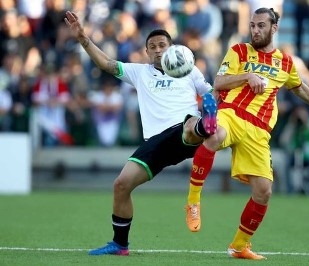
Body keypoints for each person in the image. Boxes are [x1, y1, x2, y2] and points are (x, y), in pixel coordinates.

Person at [64, 11, 218, 255]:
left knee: (189, 127)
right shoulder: (140, 72)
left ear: (171, 48)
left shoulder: (188, 70)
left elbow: (210, 93)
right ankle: (120, 244)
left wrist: (211, 103)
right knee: (121, 185)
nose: (158, 50)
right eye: (152, 46)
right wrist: (83, 39)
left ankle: (204, 126)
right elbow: (106, 64)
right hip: (156, 143)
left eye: (162, 45)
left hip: (184, 130)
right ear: (147, 52)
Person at [184, 7, 309, 260]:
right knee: (215, 134)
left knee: (264, 192)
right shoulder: (239, 51)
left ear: (274, 28)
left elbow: (298, 86)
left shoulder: (285, 62)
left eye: (261, 25)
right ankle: (193, 200)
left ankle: (239, 246)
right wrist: (247, 76)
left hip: (260, 130)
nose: (255, 30)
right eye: (252, 25)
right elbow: (219, 82)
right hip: (232, 113)